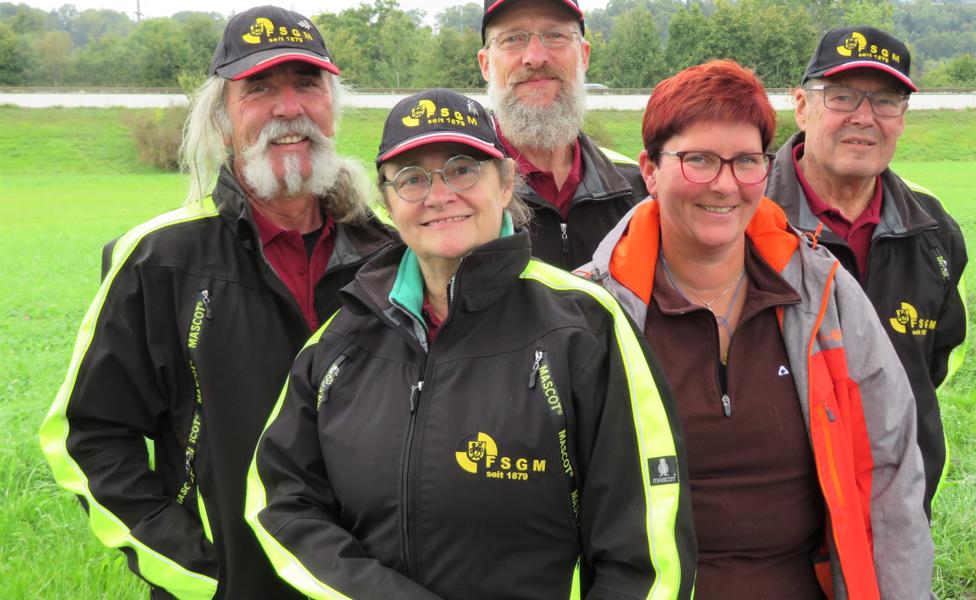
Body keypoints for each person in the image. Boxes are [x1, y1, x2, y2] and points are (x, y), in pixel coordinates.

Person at [244, 88, 696, 599]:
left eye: (463, 169)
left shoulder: (585, 326)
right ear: (388, 202)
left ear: (505, 184)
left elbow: (648, 550)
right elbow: (279, 500)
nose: (439, 196)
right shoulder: (342, 339)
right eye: (412, 179)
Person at [38, 6, 394, 598]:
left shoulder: (392, 254)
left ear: (332, 106)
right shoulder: (158, 260)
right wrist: (198, 571)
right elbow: (88, 435)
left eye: (307, 85)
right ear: (224, 120)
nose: (288, 108)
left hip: (368, 582)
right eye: (259, 89)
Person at [580, 60, 933, 599]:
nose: (725, 185)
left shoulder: (827, 295)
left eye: (746, 161)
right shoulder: (594, 311)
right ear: (649, 170)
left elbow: (888, 472)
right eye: (698, 160)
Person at [765, 26, 968, 517]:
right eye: (842, 96)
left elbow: (936, 361)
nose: (864, 117)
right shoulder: (747, 216)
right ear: (801, 105)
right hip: (774, 517)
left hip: (898, 506)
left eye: (886, 100)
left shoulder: (934, 228)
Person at [477, 0, 646, 269]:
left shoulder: (639, 194)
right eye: (513, 39)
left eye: (555, 35)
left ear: (584, 55)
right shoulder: (459, 201)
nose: (535, 57)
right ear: (486, 65)